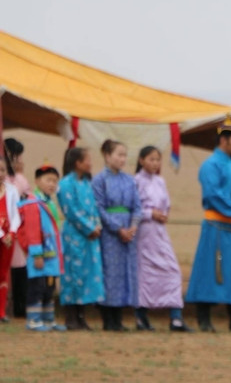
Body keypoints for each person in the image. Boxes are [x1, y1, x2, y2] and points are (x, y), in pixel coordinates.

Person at [186, 118, 231, 333]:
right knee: (210, 271)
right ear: (223, 140)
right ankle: (203, 318)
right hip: (216, 227)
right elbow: (212, 195)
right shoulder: (210, 165)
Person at [133, 146, 193, 332]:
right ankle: (141, 317)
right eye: (151, 159)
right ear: (142, 160)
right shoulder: (135, 181)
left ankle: (176, 318)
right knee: (145, 274)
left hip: (160, 232)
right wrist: (151, 213)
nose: (155, 163)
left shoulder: (160, 181)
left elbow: (166, 204)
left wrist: (164, 214)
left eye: (158, 160)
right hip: (144, 232)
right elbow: (132, 209)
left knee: (172, 271)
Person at [92, 140, 141, 331]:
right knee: (109, 273)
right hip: (110, 234)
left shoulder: (130, 180)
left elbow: (137, 207)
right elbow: (99, 208)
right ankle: (108, 319)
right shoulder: (99, 180)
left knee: (124, 274)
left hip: (128, 233)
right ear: (107, 155)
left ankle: (119, 318)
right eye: (118, 154)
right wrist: (118, 228)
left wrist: (132, 227)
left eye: (124, 155)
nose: (122, 159)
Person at [57, 147, 103, 330]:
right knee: (73, 274)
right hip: (75, 236)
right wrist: (89, 228)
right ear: (78, 163)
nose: (91, 163)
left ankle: (81, 316)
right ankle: (71, 317)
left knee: (86, 274)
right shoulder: (66, 184)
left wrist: (97, 225)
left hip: (90, 237)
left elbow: (94, 207)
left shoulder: (86, 183)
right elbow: (71, 211)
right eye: (88, 160)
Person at [18, 166, 66, 331]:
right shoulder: (33, 203)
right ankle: (33, 320)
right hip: (39, 256)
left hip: (51, 257)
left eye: (54, 181)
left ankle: (48, 319)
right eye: (48, 180)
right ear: (37, 181)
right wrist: (36, 254)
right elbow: (32, 231)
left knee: (49, 288)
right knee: (37, 287)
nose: (52, 184)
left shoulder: (49, 203)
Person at [5, 137, 31, 319]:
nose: (20, 161)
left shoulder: (18, 178)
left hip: (18, 228)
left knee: (19, 268)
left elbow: (27, 199)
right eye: (17, 156)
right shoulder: (10, 179)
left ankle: (20, 306)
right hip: (6, 226)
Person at [0, 158, 21, 323]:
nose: (0, 173)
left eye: (2, 170)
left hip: (8, 238)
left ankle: (1, 311)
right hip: (2, 236)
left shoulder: (12, 190)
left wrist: (12, 233)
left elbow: (16, 214)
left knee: (3, 273)